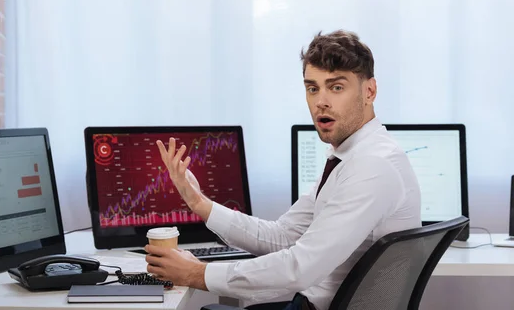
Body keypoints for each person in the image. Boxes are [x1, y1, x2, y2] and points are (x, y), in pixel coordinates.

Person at [145, 30, 421, 310]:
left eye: (336, 87)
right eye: (312, 88)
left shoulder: (372, 165)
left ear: (369, 91)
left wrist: (197, 273)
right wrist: (199, 203)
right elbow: (283, 236)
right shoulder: (348, 157)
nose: (320, 101)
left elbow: (300, 267)